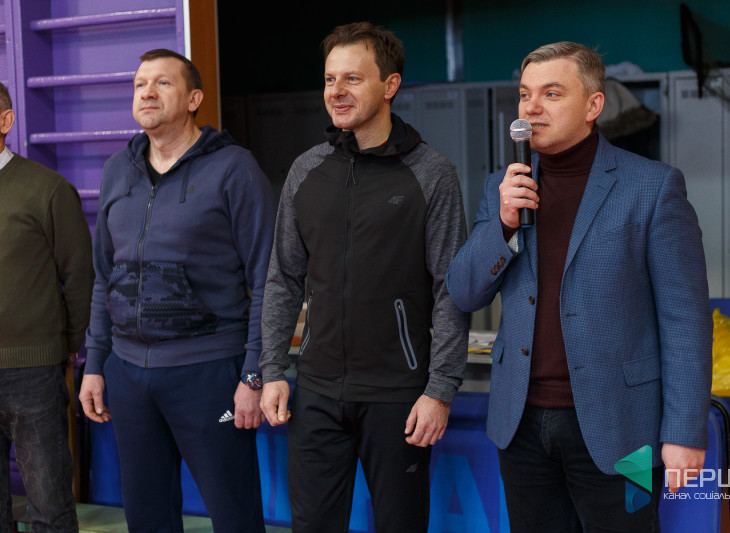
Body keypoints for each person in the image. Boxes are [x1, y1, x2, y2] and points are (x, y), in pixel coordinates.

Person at [446, 42, 712, 531]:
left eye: (551, 93)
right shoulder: (503, 187)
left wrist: (684, 430)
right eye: (525, 94)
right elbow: (464, 292)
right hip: (520, 425)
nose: (531, 107)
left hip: (623, 426)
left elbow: (685, 320)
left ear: (593, 105)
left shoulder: (652, 187)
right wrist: (502, 225)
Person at [259, 22, 469, 533]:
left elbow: (450, 289)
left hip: (398, 396)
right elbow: (283, 279)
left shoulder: (431, 174)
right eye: (330, 79)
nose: (337, 91)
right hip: (316, 392)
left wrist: (440, 390)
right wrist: (272, 370)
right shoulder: (306, 171)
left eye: (352, 78)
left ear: (389, 85)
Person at [78, 49, 274, 532]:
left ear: (193, 99)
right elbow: (104, 275)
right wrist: (95, 364)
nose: (147, 92)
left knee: (234, 514)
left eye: (162, 83)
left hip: (208, 370)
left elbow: (268, 280)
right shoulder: (117, 170)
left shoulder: (234, 169)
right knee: (147, 517)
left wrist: (254, 374)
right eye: (139, 84)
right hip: (128, 373)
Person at [0, 81, 93, 532]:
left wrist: (65, 344)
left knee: (49, 506)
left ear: (5, 121)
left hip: (32, 371)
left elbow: (79, 276)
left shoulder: (48, 189)